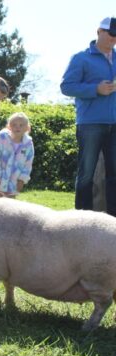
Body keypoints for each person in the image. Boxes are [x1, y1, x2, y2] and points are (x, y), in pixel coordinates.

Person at [60, 17, 116, 216]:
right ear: (99, 31)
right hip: (90, 124)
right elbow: (66, 87)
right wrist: (96, 89)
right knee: (86, 175)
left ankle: (112, 224)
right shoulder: (81, 58)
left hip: (115, 124)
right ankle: (81, 221)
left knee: (114, 175)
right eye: (111, 33)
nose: (114, 38)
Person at [0, 112, 34, 198]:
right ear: (9, 126)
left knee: (10, 207)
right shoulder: (0, 141)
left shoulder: (28, 145)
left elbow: (28, 164)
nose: (18, 127)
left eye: (21, 125)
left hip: (15, 182)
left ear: (27, 128)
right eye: (14, 125)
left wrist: (22, 180)